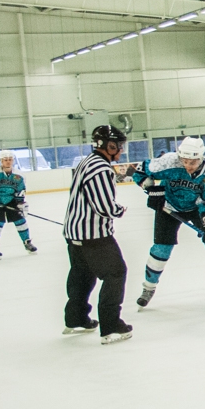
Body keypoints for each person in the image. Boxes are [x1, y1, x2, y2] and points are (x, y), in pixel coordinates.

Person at [131, 137, 205, 309]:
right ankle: (148, 288)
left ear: (202, 158)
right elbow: (139, 171)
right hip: (168, 207)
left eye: (193, 161)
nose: (188, 165)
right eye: (185, 161)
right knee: (161, 249)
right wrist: (152, 189)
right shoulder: (168, 162)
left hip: (198, 207)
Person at [62, 125, 131, 344]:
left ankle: (76, 318)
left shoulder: (85, 161)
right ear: (108, 145)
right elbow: (104, 207)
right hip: (94, 236)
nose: (121, 150)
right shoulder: (101, 169)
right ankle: (111, 326)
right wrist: (119, 210)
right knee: (115, 273)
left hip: (74, 233)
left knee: (82, 275)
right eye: (118, 146)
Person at [0, 150, 35, 259]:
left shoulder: (19, 175)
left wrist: (20, 204)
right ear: (1, 161)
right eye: (5, 160)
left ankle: (27, 242)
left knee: (21, 222)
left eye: (10, 159)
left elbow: (21, 190)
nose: (8, 162)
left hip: (11, 202)